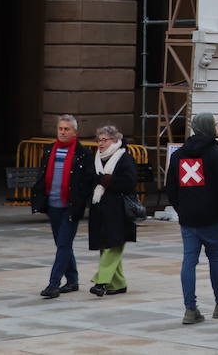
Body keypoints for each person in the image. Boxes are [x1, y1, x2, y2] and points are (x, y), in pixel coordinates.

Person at [166, 111, 218, 324]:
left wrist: (182, 210)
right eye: (216, 124)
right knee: (216, 258)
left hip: (188, 219)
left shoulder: (178, 155)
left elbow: (171, 188)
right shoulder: (217, 154)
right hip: (214, 218)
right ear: (208, 127)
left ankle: (190, 309)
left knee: (189, 261)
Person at [30, 115, 93, 299]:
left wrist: (82, 202)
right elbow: (43, 175)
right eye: (60, 129)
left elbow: (87, 181)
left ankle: (53, 284)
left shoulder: (83, 154)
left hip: (71, 207)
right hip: (53, 205)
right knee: (62, 244)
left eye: (67, 129)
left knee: (64, 244)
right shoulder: (50, 150)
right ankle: (72, 280)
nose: (63, 132)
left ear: (75, 131)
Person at [86, 124, 138, 297]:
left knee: (113, 246)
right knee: (105, 246)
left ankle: (101, 282)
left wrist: (107, 180)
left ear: (115, 140)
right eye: (99, 140)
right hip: (100, 209)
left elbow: (129, 183)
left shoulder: (124, 158)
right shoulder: (96, 158)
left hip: (118, 210)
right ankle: (118, 283)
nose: (101, 144)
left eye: (104, 140)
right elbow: (93, 181)